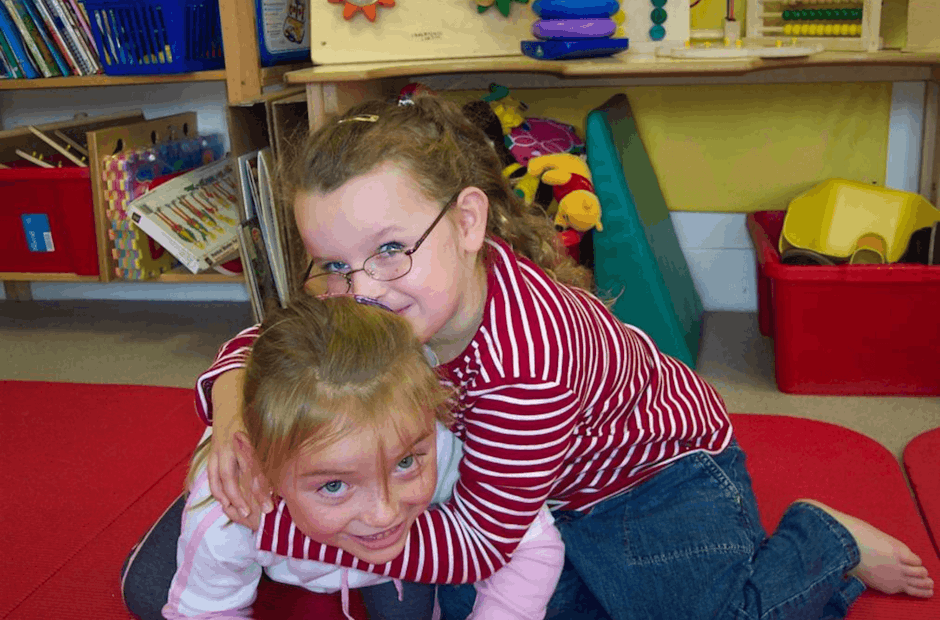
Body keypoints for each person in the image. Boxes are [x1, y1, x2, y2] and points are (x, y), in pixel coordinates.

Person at [128, 93, 933, 620]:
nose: (360, 289)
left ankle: (823, 539)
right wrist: (235, 416)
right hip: (531, 495)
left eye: (391, 250)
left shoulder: (528, 358)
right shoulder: (364, 291)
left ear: (469, 220)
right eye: (334, 264)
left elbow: (482, 541)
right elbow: (272, 341)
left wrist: (298, 532)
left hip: (649, 478)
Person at [162, 294, 564, 619]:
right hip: (253, 525)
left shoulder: (435, 443)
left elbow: (531, 544)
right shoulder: (229, 510)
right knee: (151, 591)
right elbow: (202, 613)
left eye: (406, 463)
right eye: (334, 485)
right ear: (264, 469)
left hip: (383, 555)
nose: (384, 514)